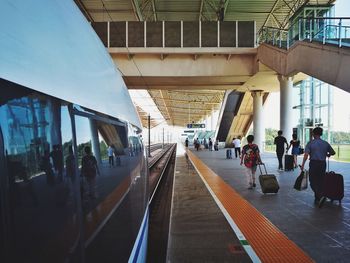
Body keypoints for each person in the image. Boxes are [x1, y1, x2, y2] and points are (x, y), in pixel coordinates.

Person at [300, 127, 335, 207]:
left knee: (312, 181)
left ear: (313, 134)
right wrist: (327, 154)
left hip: (313, 164)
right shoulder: (325, 143)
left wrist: (302, 165)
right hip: (322, 164)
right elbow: (333, 152)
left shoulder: (310, 143)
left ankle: (319, 196)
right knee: (320, 181)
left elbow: (306, 155)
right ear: (321, 134)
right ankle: (318, 197)